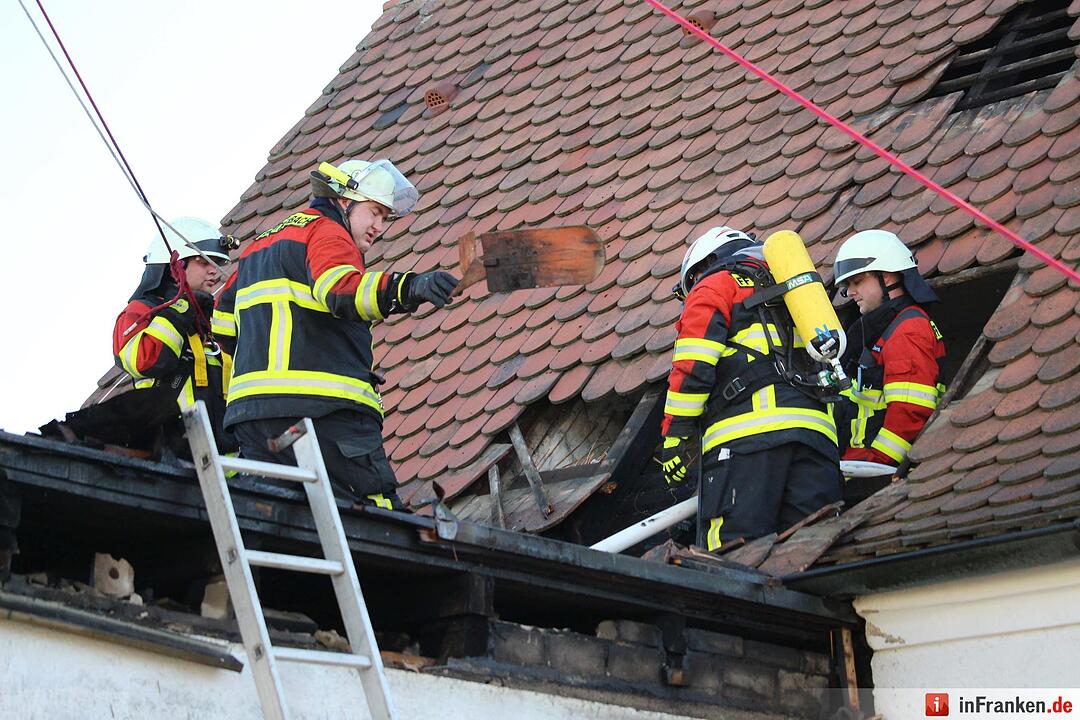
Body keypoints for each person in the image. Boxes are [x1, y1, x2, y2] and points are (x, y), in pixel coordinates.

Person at [216, 159, 459, 510]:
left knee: (279, 516)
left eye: (385, 217)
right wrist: (409, 287)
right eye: (374, 212)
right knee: (376, 515)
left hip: (256, 422)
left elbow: (222, 325)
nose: (379, 227)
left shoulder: (259, 247)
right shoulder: (328, 232)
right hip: (323, 415)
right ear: (344, 201)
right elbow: (340, 290)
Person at [660, 226, 842, 551]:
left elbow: (692, 367)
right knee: (812, 551)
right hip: (817, 440)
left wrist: (675, 437)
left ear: (704, 264)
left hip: (747, 445)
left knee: (734, 556)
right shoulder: (791, 289)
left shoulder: (715, 284)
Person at [112, 218, 235, 456]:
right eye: (203, 262)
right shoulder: (140, 312)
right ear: (175, 266)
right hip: (172, 458)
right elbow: (144, 361)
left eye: (217, 263)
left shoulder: (213, 321)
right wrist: (179, 310)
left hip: (228, 463)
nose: (214, 270)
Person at [832, 229, 946, 469]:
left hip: (879, 469)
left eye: (857, 281)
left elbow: (910, 411)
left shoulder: (908, 330)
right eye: (848, 285)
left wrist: (875, 465)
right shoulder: (885, 329)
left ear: (887, 276)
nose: (850, 292)